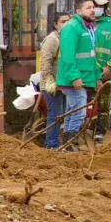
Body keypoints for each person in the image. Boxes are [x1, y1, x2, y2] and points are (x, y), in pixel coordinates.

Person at [55, 0, 99, 150]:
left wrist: (96, 76)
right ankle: (70, 143)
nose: (93, 10)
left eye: (93, 7)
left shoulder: (87, 28)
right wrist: (74, 75)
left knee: (72, 111)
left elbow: (91, 56)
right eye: (88, 7)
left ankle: (68, 144)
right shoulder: (72, 28)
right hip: (74, 79)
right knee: (79, 113)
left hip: (84, 77)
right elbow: (68, 55)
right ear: (79, 11)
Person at [88, 0, 111, 143]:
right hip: (87, 71)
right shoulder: (83, 24)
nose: (97, 8)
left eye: (100, 6)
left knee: (104, 102)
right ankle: (85, 127)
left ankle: (100, 131)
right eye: (94, 5)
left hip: (106, 72)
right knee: (86, 102)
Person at [37, 13, 72, 149]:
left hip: (62, 83)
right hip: (51, 84)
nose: (66, 24)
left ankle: (56, 142)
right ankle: (51, 144)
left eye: (69, 21)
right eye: (63, 21)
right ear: (56, 24)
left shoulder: (66, 38)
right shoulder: (52, 39)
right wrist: (49, 81)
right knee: (55, 114)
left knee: (61, 114)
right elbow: (45, 62)